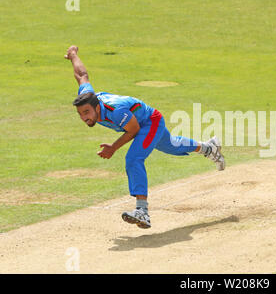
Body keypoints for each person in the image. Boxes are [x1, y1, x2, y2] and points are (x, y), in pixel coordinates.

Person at [65, 45, 225, 229]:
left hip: (150, 122)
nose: (84, 117)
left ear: (97, 107)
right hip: (141, 122)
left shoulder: (115, 111)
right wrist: (73, 55)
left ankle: (142, 211)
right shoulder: (88, 97)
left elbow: (133, 130)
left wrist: (113, 148)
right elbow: (81, 75)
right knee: (171, 145)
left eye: (87, 112)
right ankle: (209, 148)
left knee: (133, 159)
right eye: (80, 114)